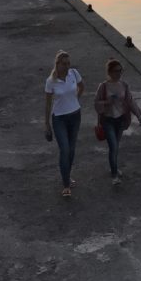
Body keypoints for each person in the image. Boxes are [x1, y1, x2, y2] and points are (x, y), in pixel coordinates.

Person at [94, 58, 141, 185]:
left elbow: (130, 101)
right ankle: (114, 175)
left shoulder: (124, 85)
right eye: (116, 71)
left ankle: (113, 166)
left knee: (115, 147)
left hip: (121, 119)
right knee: (113, 146)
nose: (119, 73)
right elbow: (96, 103)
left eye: (121, 71)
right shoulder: (103, 87)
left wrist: (138, 115)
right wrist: (106, 102)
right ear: (109, 72)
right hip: (108, 120)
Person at [45, 50, 84, 198]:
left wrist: (75, 99)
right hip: (59, 118)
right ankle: (66, 184)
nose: (67, 66)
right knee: (65, 150)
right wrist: (46, 124)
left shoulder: (74, 73)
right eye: (64, 64)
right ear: (57, 64)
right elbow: (48, 104)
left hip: (75, 115)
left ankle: (67, 174)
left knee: (72, 149)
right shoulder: (51, 81)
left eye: (68, 63)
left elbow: (82, 87)